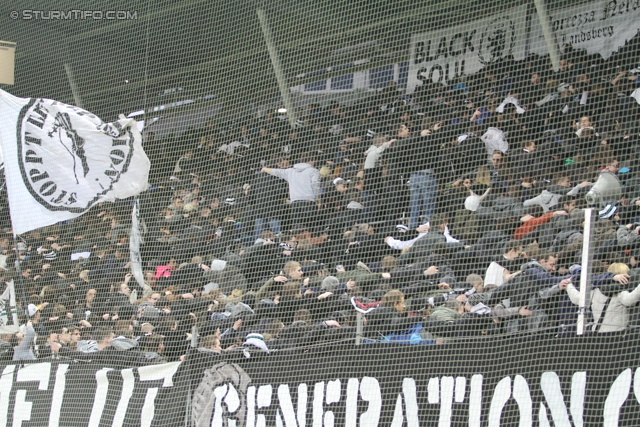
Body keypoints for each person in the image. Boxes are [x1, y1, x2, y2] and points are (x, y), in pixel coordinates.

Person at [260, 152, 321, 231]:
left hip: (295, 205)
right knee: (311, 229)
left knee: (298, 231)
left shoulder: (290, 171)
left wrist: (265, 169)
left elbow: (277, 172)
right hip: (308, 203)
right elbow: (315, 185)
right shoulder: (313, 171)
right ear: (310, 160)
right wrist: (319, 200)